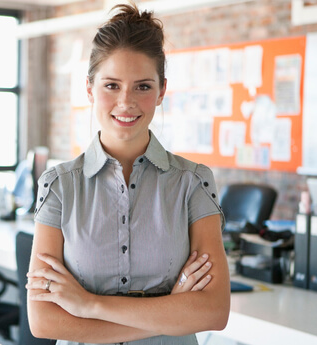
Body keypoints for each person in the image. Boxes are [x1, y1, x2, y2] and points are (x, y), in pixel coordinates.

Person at [26, 3, 230, 344]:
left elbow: (214, 311)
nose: (126, 102)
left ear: (161, 91)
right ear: (90, 88)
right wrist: (173, 311)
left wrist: (88, 304)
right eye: (111, 85)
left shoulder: (193, 182)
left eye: (143, 86)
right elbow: (44, 321)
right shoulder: (59, 186)